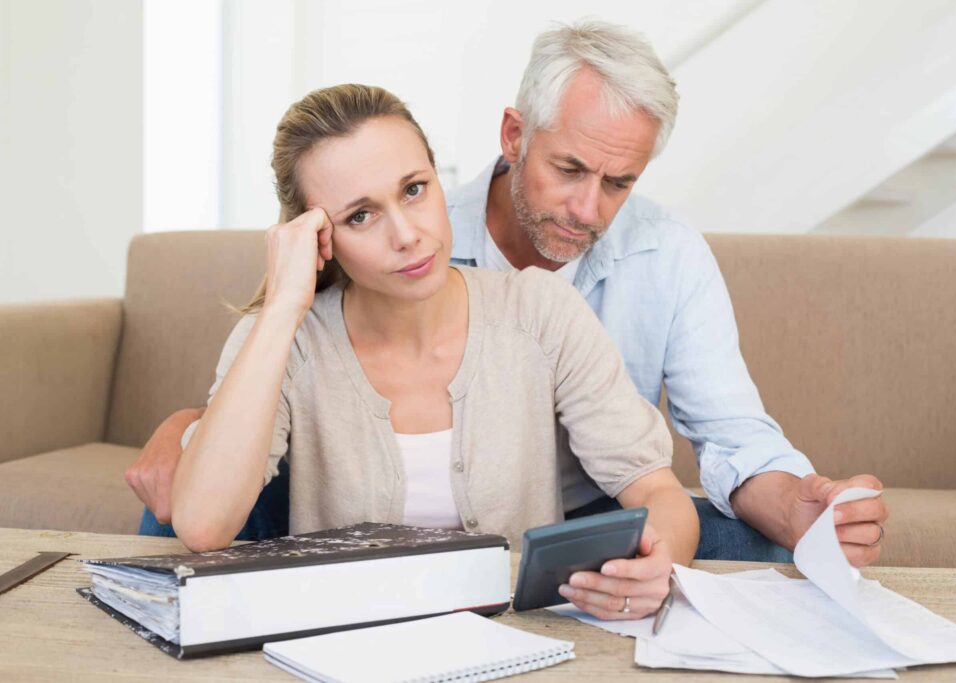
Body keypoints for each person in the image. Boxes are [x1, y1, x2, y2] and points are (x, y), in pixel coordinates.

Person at [128, 21, 889, 568]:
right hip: (347, 504)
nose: (589, 209)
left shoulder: (601, 281)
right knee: (182, 504)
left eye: (619, 182)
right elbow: (245, 455)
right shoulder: (403, 251)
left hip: (571, 516)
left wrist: (789, 505)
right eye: (569, 170)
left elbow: (712, 443)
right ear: (513, 135)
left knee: (732, 536)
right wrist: (203, 414)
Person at [168, 82, 699, 621]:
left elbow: (657, 488)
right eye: (360, 216)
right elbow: (202, 525)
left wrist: (662, 562)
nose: (407, 235)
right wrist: (283, 307)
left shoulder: (541, 312)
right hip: (350, 642)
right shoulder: (285, 340)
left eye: (414, 190)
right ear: (317, 237)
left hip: (518, 640)